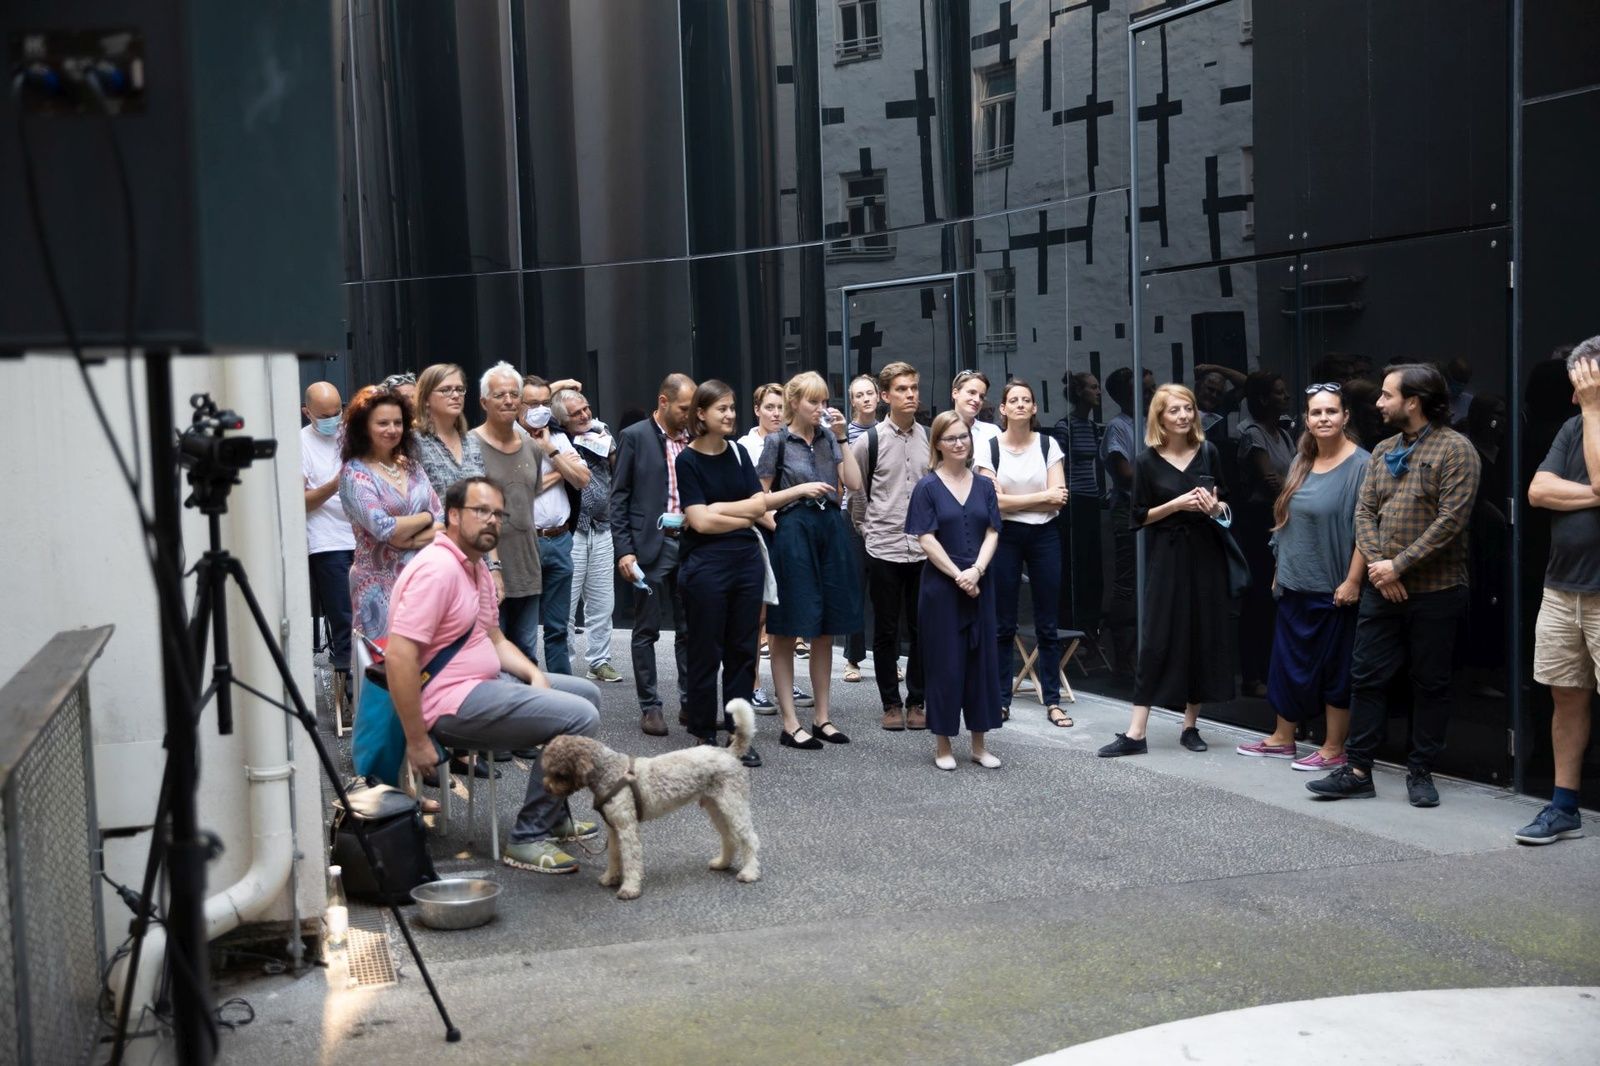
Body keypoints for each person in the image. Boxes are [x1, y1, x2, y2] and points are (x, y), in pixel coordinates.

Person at [389, 476, 603, 874]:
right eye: (481, 511)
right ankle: (528, 836)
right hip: (448, 703)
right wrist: (416, 740)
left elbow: (495, 638)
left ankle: (553, 813)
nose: (492, 520)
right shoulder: (437, 570)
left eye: (498, 514)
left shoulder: (475, 567)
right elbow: (399, 657)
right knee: (580, 716)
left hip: (484, 686)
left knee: (587, 695)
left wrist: (534, 674)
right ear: (454, 515)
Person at [1308, 363, 1482, 806]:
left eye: (1387, 395)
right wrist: (1380, 569)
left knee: (1430, 683)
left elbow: (1450, 522)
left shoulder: (1456, 449)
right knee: (1366, 677)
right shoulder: (1384, 449)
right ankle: (1357, 770)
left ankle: (1420, 771)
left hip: (1437, 591)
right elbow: (1364, 513)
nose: (1379, 402)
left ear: (1414, 401)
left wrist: (1397, 566)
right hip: (1381, 588)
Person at [677, 379, 818, 767]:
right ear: (701, 413)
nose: (729, 415)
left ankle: (738, 734)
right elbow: (699, 523)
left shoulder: (739, 453)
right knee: (705, 649)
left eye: (731, 407)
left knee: (743, 651)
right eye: (721, 408)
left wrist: (720, 510)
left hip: (745, 560)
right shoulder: (688, 460)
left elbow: (758, 506)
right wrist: (737, 515)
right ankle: (703, 730)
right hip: (705, 565)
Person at [1234, 385, 1369, 769]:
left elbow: (1368, 530)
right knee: (1287, 663)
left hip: (1334, 586)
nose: (1323, 418)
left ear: (1345, 417)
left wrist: (1353, 580)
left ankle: (1333, 748)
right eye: (1316, 413)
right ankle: (1282, 738)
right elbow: (1285, 519)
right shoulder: (1301, 460)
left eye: (1331, 411)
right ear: (1306, 420)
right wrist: (1280, 568)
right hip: (1294, 582)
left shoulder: (1362, 465)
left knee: (1335, 670)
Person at [1098, 384, 1233, 757]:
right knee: (1156, 638)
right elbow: (1138, 516)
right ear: (1160, 417)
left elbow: (1226, 506)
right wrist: (1176, 504)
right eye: (1174, 410)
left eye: (1188, 408)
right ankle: (1136, 733)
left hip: (1205, 554)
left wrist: (1214, 508)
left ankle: (1190, 726)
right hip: (1166, 556)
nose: (1184, 416)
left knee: (1200, 635)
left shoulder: (1209, 452)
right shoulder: (1145, 461)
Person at [1516, 342, 1600, 844]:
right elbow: (1537, 491)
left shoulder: (1586, 417)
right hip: (1562, 587)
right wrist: (1593, 495)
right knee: (1565, 695)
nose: (1575, 395)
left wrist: (1594, 410)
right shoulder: (1572, 428)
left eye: (1583, 384)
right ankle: (1564, 806)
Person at [757, 371, 864, 750]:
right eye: (813, 401)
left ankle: (822, 717)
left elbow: (854, 484)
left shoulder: (828, 438)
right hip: (794, 530)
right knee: (786, 628)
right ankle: (790, 722)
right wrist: (788, 517)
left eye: (824, 401)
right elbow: (759, 500)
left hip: (830, 529)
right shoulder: (776, 442)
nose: (821, 408)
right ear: (794, 402)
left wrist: (842, 437)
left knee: (825, 629)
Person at [906, 410, 1003, 770]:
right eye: (951, 438)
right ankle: (943, 745)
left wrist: (976, 571)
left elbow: (992, 531)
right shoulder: (927, 487)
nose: (959, 443)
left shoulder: (984, 486)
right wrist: (959, 575)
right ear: (938, 444)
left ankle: (979, 745)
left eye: (964, 436)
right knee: (945, 664)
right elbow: (925, 538)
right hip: (942, 588)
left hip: (980, 581)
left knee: (982, 664)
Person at [976, 380, 1070, 726]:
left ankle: (1053, 701)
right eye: (1013, 400)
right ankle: (1001, 700)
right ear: (1002, 409)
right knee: (1003, 622)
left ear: (1034, 408)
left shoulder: (1048, 444)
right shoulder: (989, 448)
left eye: (1026, 400)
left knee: (1047, 622)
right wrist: (1040, 498)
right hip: (1006, 537)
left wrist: (1013, 501)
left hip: (1045, 534)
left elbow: (1059, 498)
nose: (1019, 404)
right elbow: (992, 503)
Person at [613, 374, 697, 736]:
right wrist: (624, 550)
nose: (690, 414)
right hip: (649, 545)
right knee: (646, 628)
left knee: (690, 628)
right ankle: (650, 707)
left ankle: (691, 703)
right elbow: (619, 498)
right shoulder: (634, 437)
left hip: (691, 544)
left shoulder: (694, 438)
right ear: (664, 402)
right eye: (684, 408)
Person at [850, 362, 931, 730]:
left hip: (923, 548)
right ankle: (890, 703)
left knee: (921, 629)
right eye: (901, 389)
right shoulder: (869, 441)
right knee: (885, 630)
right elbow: (857, 493)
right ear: (885, 396)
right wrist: (867, 531)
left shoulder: (929, 437)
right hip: (884, 547)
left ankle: (917, 701)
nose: (910, 394)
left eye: (913, 388)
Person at [337, 385, 441, 640]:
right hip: (378, 587)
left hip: (423, 578)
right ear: (364, 427)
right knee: (387, 659)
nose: (392, 429)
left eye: (398, 422)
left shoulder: (412, 466)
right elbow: (383, 528)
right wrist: (425, 518)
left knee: (429, 658)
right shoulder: (354, 473)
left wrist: (413, 537)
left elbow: (442, 518)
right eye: (383, 423)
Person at [736, 383, 812, 713]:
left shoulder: (792, 440)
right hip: (759, 533)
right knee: (758, 614)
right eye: (769, 407)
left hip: (790, 532)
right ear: (757, 410)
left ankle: (785, 683)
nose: (776, 413)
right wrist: (780, 527)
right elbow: (751, 499)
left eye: (781, 407)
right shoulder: (746, 446)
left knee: (786, 611)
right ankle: (753, 685)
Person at [472, 363, 546, 666]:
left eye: (514, 395)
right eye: (500, 395)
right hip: (486, 570)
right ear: (484, 402)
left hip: (527, 567)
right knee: (491, 658)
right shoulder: (470, 447)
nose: (508, 401)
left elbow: (529, 500)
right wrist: (492, 567)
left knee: (527, 656)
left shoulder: (532, 447)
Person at [551, 388, 624, 684]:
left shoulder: (601, 433)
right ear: (561, 420)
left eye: (586, 408)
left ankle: (600, 661)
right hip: (573, 529)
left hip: (602, 526)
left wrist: (608, 442)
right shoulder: (556, 440)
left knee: (603, 602)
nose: (584, 415)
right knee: (566, 604)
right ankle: (565, 664)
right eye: (576, 413)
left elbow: (619, 472)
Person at [521, 374, 591, 676]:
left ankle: (564, 690)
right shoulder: (508, 438)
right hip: (525, 542)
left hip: (560, 540)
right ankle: (525, 692)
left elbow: (583, 478)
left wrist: (550, 450)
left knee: (558, 628)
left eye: (544, 403)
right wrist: (561, 471)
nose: (539, 409)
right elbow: (520, 489)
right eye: (532, 403)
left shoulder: (557, 437)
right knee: (523, 631)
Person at [1235, 371, 1297, 697]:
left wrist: (1289, 487)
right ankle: (1252, 675)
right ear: (1263, 399)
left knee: (1277, 598)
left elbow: (1292, 479)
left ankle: (1272, 668)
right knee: (1258, 597)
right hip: (1260, 521)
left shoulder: (1283, 435)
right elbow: (1270, 481)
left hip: (1283, 518)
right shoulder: (1254, 435)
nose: (1286, 397)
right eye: (1279, 392)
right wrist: (1291, 488)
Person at [413, 364, 498, 593]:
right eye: (446, 390)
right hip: (435, 558)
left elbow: (486, 506)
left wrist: (494, 566)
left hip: (477, 557)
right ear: (426, 398)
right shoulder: (414, 442)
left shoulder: (471, 442)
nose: (455, 395)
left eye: (460, 389)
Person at [1097, 366, 1151, 681]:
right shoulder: (1118, 427)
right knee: (1128, 583)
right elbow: (1125, 474)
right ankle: (1124, 658)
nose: (1151, 393)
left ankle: (1143, 654)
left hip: (1155, 509)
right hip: (1128, 509)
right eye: (1145, 389)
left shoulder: (1152, 422)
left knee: (1150, 581)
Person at [302, 383, 355, 691]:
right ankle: (347, 691)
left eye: (338, 412)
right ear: (306, 412)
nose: (334, 420)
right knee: (343, 618)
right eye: (324, 416)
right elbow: (300, 501)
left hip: (364, 536)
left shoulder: (352, 436)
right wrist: (336, 484)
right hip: (327, 542)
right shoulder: (301, 443)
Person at [1054, 371, 1104, 635]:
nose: (1098, 392)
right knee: (1074, 561)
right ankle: (1070, 623)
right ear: (1079, 392)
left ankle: (1089, 625)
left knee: (1092, 562)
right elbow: (1059, 467)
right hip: (1073, 501)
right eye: (1093, 387)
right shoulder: (1066, 427)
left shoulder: (1093, 427)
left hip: (1091, 499)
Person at [842, 373, 881, 683]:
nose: (866, 398)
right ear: (852, 401)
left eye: (870, 393)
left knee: (886, 592)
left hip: (884, 517)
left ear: (879, 397)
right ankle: (853, 659)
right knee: (854, 588)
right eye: (860, 395)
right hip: (851, 515)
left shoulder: (886, 431)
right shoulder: (844, 435)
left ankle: (887, 658)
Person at [951, 369, 1000, 455]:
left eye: (981, 397)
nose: (977, 400)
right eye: (972, 392)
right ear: (955, 393)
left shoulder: (991, 432)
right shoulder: (941, 430)